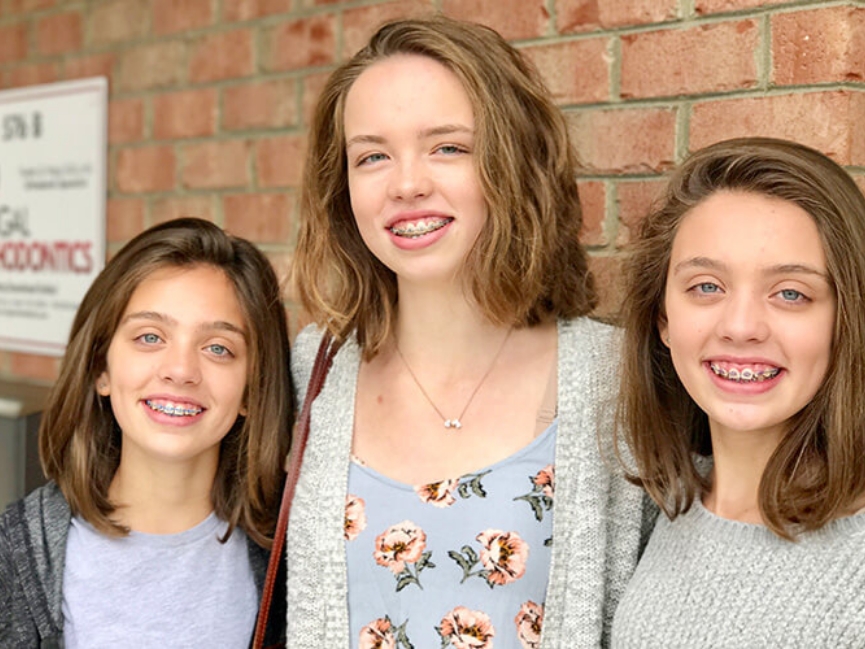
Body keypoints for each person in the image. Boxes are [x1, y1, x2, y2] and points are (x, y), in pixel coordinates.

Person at [288, 15, 649, 649]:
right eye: (372, 156)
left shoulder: (616, 383)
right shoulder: (309, 373)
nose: (406, 184)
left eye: (448, 147)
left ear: (514, 161)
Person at [612, 137, 865, 646]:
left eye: (791, 293)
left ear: (847, 322)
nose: (741, 326)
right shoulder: (671, 510)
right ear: (663, 318)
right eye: (707, 286)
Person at [0, 218, 293, 648]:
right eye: (150, 337)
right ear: (101, 368)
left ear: (253, 388)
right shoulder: (14, 557)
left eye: (218, 348)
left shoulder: (294, 559)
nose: (180, 371)